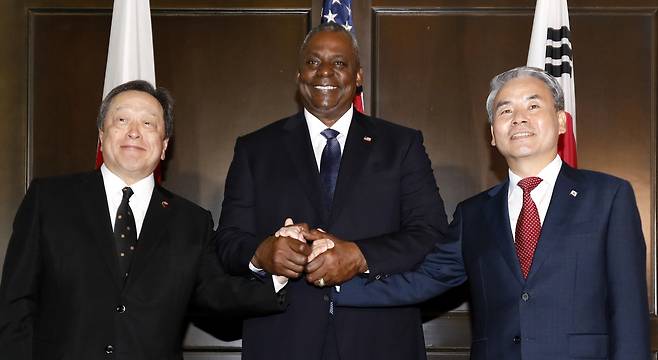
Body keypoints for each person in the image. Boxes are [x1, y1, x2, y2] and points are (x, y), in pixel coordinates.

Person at [332, 66, 650, 359]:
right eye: (505, 110)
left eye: (533, 105)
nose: (519, 118)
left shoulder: (608, 197)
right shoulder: (474, 215)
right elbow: (421, 281)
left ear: (562, 121)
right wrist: (329, 287)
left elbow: (629, 310)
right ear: (494, 136)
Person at [0, 80, 287, 360]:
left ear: (164, 146)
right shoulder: (49, 200)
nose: (134, 132)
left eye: (148, 123)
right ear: (101, 135)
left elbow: (216, 295)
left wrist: (277, 275)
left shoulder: (191, 222)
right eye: (122, 120)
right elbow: (15, 305)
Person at [215, 22, 447, 360]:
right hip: (282, 341)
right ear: (298, 75)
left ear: (358, 77)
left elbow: (431, 234)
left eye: (339, 63)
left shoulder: (401, 145)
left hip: (381, 342)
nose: (324, 72)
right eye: (313, 62)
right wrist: (261, 254)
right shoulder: (255, 149)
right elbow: (227, 241)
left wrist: (360, 256)